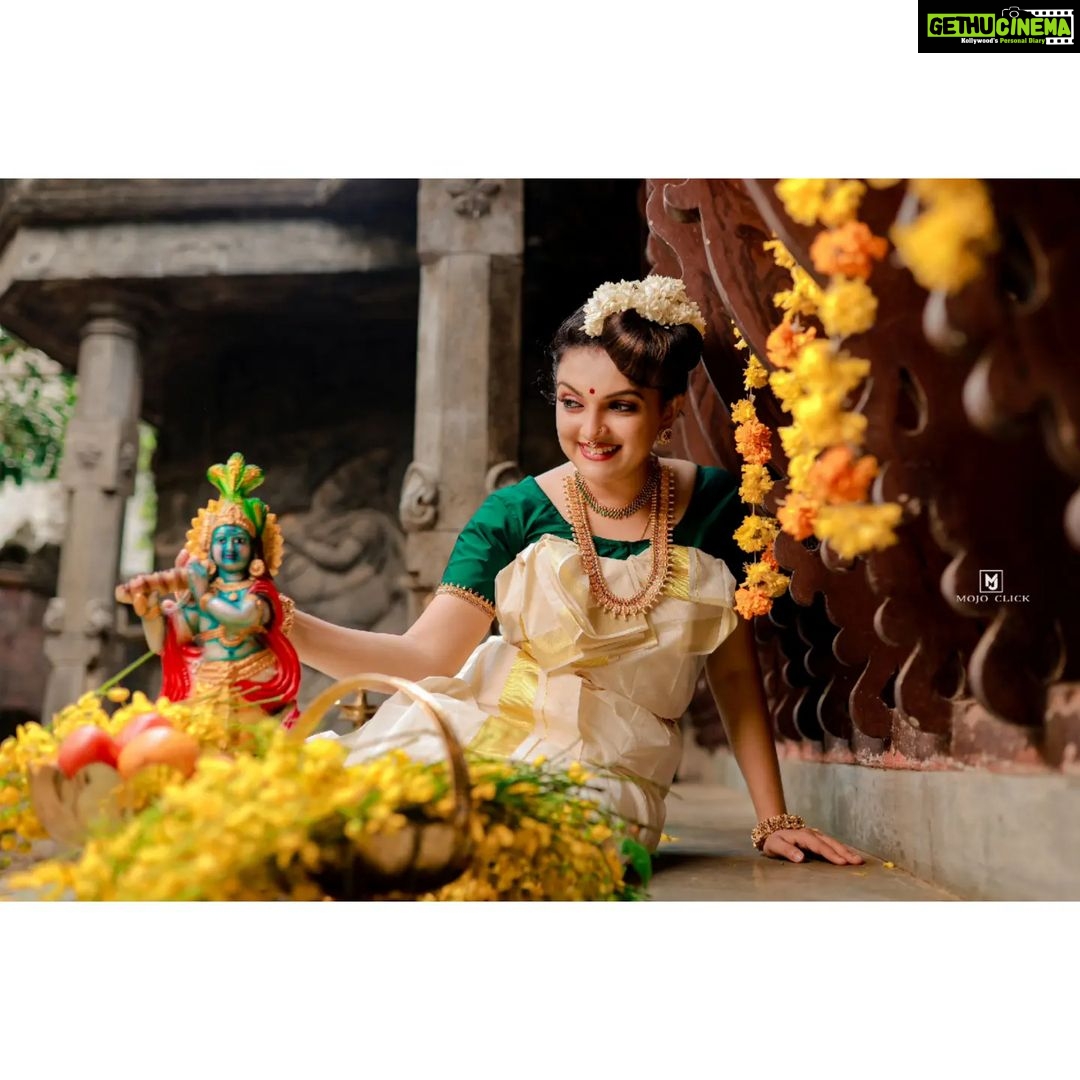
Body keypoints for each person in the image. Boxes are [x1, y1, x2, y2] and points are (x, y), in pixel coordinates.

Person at [291, 277, 863, 864]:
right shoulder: (513, 515)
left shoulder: (717, 507)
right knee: (360, 820)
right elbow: (425, 657)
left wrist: (773, 820)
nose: (591, 431)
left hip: (614, 775)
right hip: (485, 729)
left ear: (668, 410)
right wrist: (286, 625)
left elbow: (735, 674)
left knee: (514, 843)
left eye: (621, 406)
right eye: (572, 403)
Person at [119, 453, 300, 717]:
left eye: (239, 540)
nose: (229, 547)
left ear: (254, 551)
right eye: (221, 540)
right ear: (209, 549)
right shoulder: (204, 595)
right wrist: (151, 612)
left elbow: (240, 618)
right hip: (207, 686)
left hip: (256, 683)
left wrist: (203, 595)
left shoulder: (258, 593)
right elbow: (163, 643)